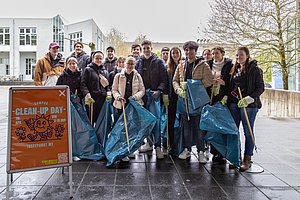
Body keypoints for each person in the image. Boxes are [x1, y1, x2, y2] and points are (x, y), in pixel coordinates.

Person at [173, 41, 212, 163]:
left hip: (198, 101)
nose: (188, 52)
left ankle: (201, 151)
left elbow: (208, 81)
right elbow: (175, 81)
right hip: (184, 101)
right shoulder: (181, 65)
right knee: (186, 127)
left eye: (191, 50)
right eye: (186, 50)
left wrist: (193, 87)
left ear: (195, 51)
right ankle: (187, 149)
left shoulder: (203, 65)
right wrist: (179, 90)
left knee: (199, 127)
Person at [228, 46, 264, 171]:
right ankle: (235, 157)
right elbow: (231, 86)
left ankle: (247, 159)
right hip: (234, 104)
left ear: (247, 55)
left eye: (241, 55)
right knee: (234, 131)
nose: (239, 57)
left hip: (249, 105)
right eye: (237, 55)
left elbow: (260, 88)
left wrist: (249, 98)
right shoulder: (235, 69)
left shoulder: (255, 70)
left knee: (248, 131)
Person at [136, 40, 167, 159]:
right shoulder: (139, 62)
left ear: (151, 48)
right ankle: (149, 143)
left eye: (148, 48)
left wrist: (159, 91)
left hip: (154, 96)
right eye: (144, 48)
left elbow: (164, 79)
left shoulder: (158, 62)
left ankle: (158, 146)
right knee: (146, 122)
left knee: (156, 121)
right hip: (142, 97)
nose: (146, 50)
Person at [112, 56, 145, 161]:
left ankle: (129, 149)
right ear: (124, 64)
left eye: (132, 64)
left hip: (133, 105)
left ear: (135, 65)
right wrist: (118, 97)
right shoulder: (118, 76)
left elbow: (142, 90)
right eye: (128, 63)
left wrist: (135, 97)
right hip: (120, 105)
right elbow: (114, 89)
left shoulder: (138, 76)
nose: (130, 66)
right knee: (121, 128)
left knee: (131, 128)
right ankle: (122, 151)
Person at [206, 46, 233, 164]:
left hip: (223, 97)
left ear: (222, 54)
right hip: (211, 97)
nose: (214, 55)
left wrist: (223, 83)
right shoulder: (208, 64)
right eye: (213, 53)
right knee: (213, 126)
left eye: (217, 53)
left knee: (222, 125)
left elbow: (232, 82)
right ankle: (214, 151)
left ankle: (222, 152)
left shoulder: (229, 65)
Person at [81, 51, 109, 125]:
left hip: (102, 99)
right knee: (90, 120)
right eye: (97, 58)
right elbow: (83, 84)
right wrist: (87, 94)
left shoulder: (105, 71)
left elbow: (107, 86)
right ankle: (91, 136)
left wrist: (108, 93)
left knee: (100, 121)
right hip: (92, 99)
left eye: (100, 58)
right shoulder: (88, 70)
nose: (99, 60)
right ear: (93, 59)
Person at [165, 47, 182, 154]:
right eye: (173, 53)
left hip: (182, 97)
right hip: (171, 98)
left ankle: (181, 145)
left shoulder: (184, 65)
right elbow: (166, 82)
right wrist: (165, 95)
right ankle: (171, 144)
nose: (175, 54)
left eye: (177, 52)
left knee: (182, 122)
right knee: (170, 122)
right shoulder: (168, 67)